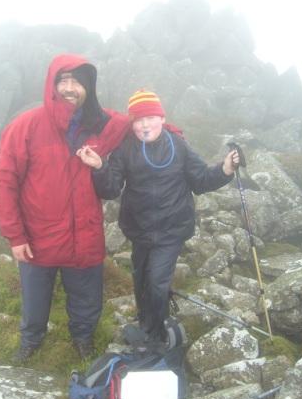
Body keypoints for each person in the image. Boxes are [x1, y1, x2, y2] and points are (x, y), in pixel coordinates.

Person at [0, 54, 130, 362]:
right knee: (35, 298)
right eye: (63, 80)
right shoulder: (26, 126)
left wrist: (168, 129)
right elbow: (6, 183)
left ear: (88, 87)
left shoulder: (99, 123)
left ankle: (82, 339)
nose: (70, 88)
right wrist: (15, 236)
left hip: (84, 234)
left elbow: (134, 122)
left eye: (78, 81)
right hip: (38, 236)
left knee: (86, 297)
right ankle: (31, 340)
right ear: (52, 85)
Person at [77, 89, 239, 343]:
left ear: (161, 118)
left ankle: (155, 336)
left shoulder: (179, 145)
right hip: (139, 229)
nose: (144, 124)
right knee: (141, 278)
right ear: (132, 124)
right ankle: (147, 321)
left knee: (156, 282)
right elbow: (110, 189)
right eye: (138, 120)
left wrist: (226, 169)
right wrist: (99, 167)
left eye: (150, 117)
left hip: (171, 230)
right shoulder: (125, 148)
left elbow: (201, 180)